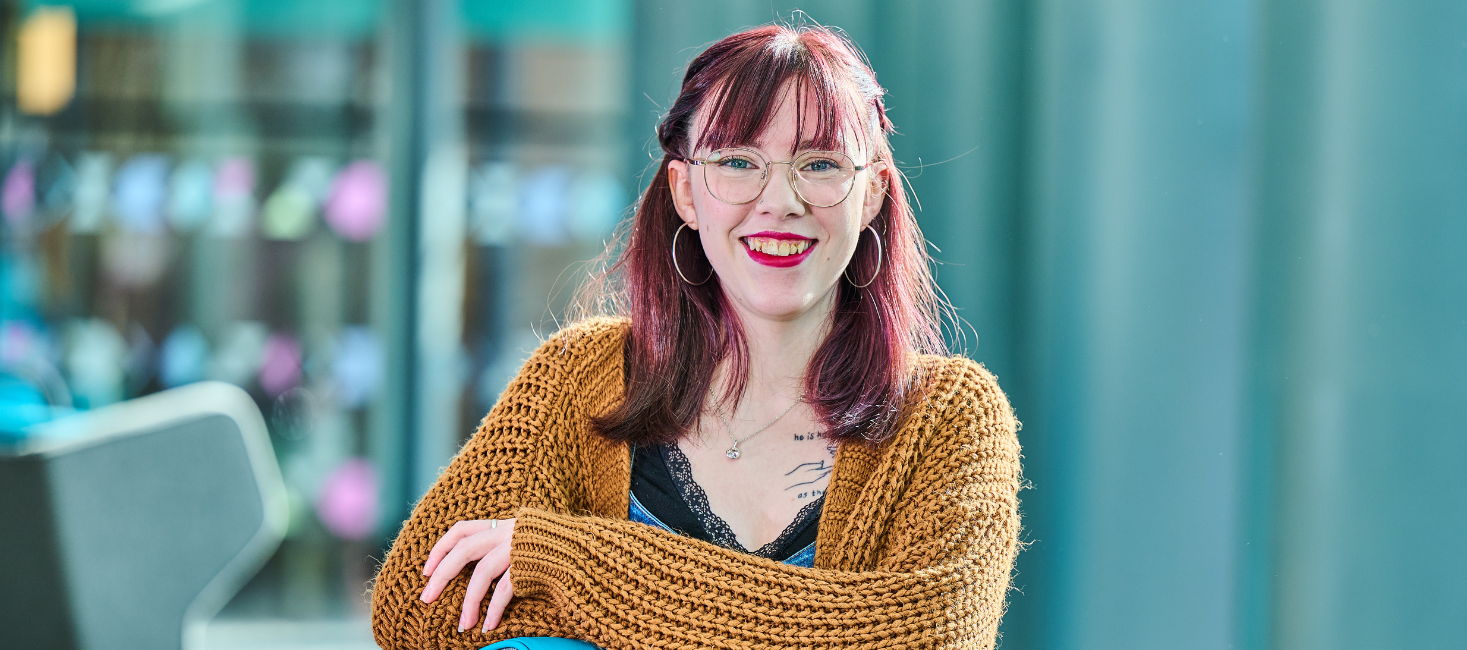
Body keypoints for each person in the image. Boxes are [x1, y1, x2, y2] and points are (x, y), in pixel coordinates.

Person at [368, 22, 1022, 650]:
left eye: (819, 164)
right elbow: (413, 610)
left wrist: (567, 558)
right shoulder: (577, 373)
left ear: (872, 194)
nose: (780, 201)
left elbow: (923, 638)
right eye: (738, 161)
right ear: (685, 191)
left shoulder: (949, 415)